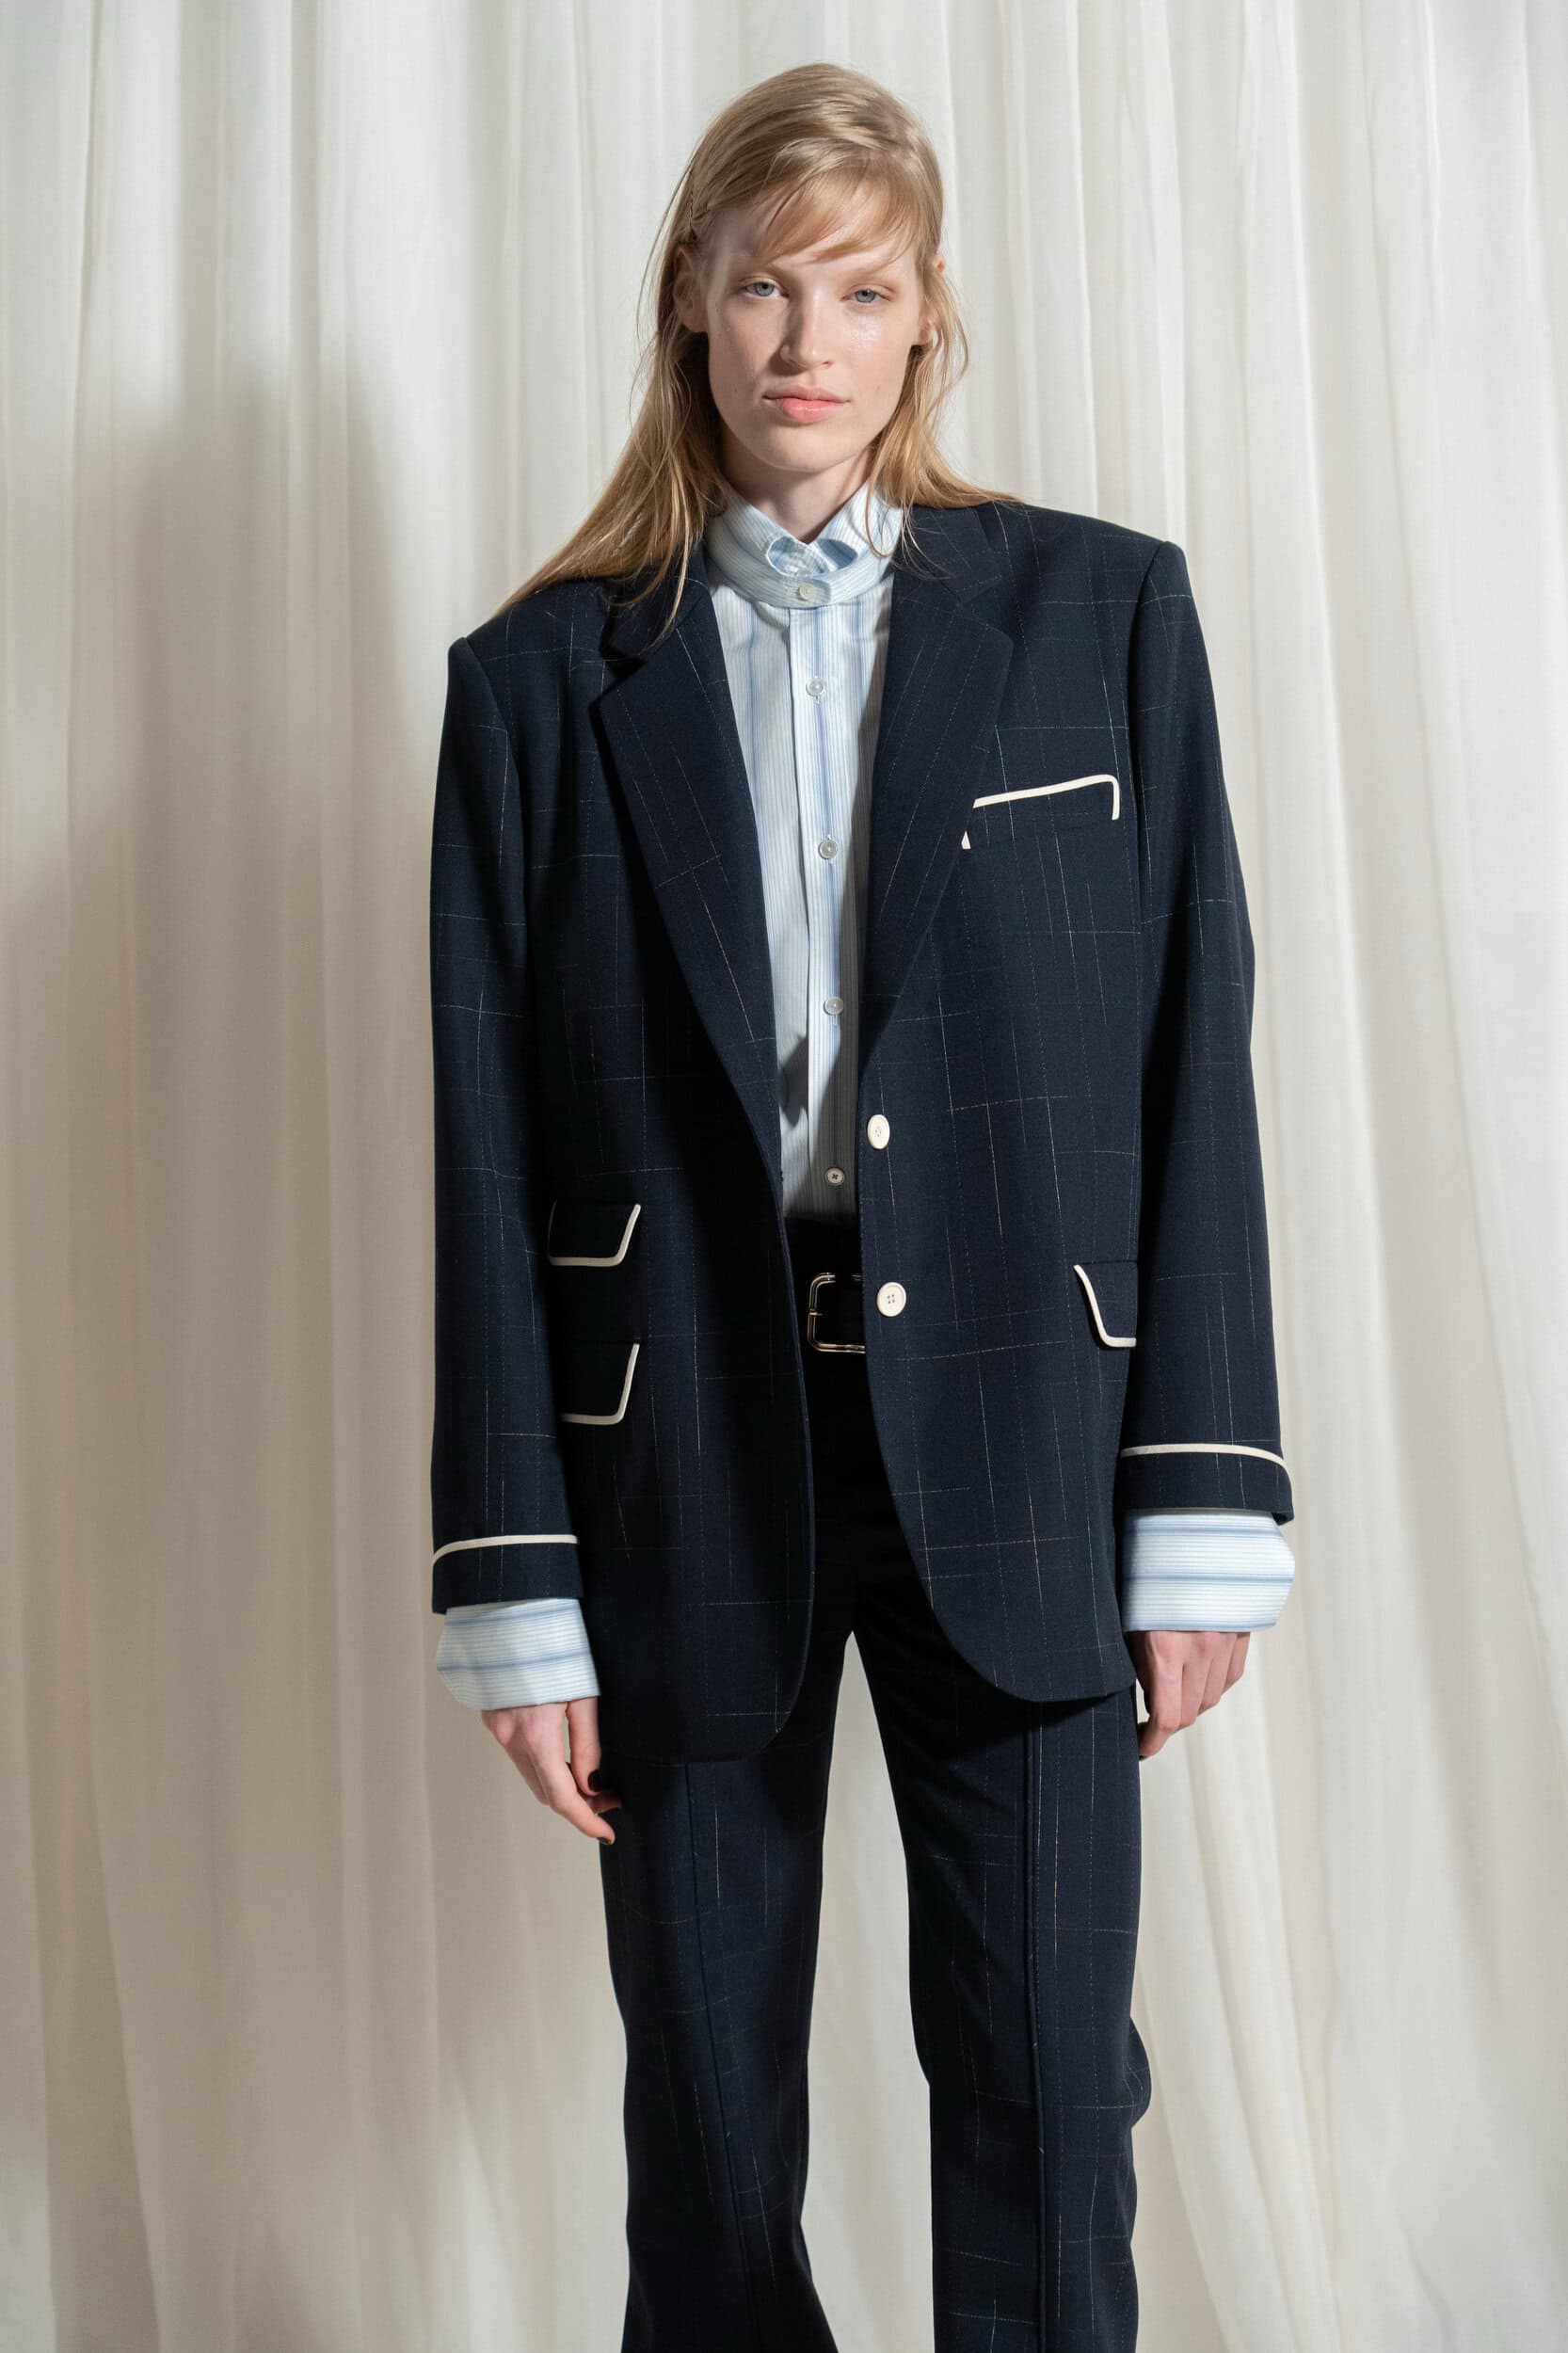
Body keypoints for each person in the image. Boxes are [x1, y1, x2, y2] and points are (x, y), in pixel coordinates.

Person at [426, 59, 1296, 2353]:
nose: (805, 339)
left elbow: (1190, 1057)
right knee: (707, 2131)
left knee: (1045, 2096)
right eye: (761, 285)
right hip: (682, 1454)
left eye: (859, 288)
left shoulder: (1103, 616)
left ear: (927, 319)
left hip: (1027, 1439)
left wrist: (1199, 1497)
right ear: (687, 305)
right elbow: (483, 1151)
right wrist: (514, 1577)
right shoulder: (536, 686)